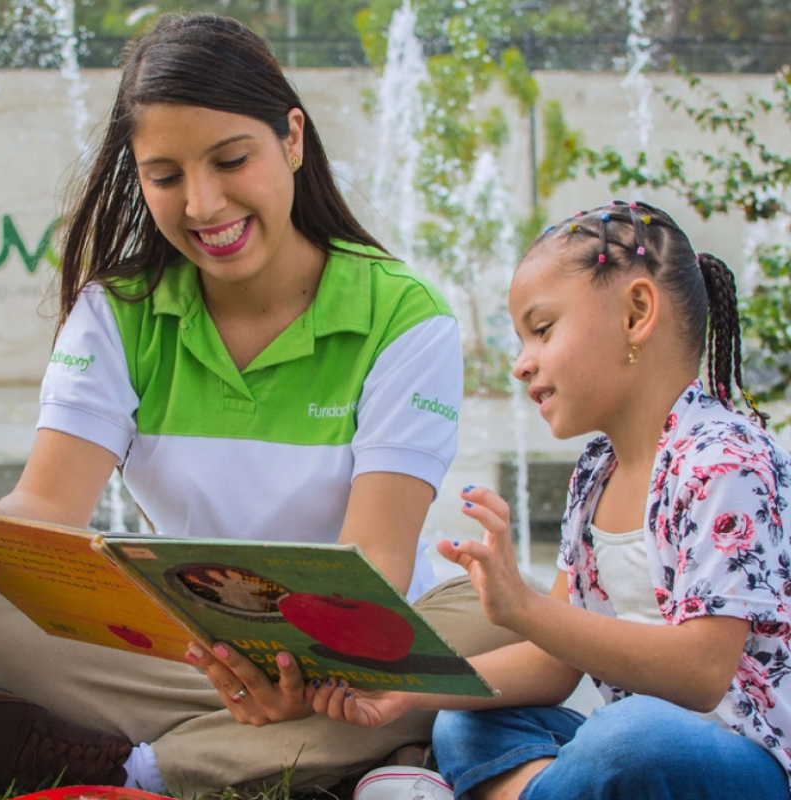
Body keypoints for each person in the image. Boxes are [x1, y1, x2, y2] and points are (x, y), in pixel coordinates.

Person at [0, 13, 524, 797]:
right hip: (188, 650)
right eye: (165, 176)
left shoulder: (404, 320)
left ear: (293, 140)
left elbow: (374, 559)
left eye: (231, 160)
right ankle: (353, 754)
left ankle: (152, 768)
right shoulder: (118, 310)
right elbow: (48, 501)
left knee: (501, 626)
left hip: (348, 646)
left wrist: (305, 668)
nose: (202, 205)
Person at [303, 201, 791, 800]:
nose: (519, 364)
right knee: (466, 720)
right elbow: (553, 667)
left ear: (637, 313)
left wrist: (524, 609)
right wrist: (408, 689)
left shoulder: (725, 460)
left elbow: (702, 674)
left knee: (630, 737)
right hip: (631, 757)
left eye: (542, 329)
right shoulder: (596, 474)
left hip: (743, 758)